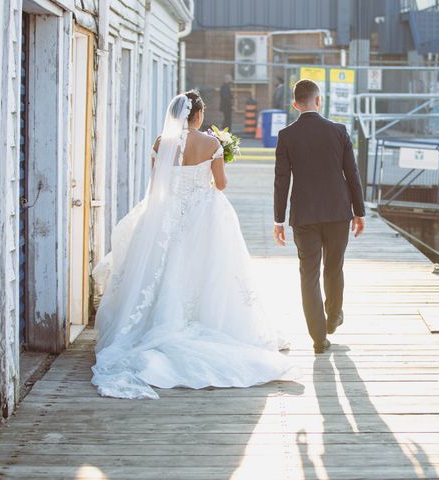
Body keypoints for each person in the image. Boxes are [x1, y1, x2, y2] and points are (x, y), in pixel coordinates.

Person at [91, 91, 299, 399]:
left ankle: (154, 324)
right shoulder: (211, 144)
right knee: (209, 270)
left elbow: (156, 185)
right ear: (198, 115)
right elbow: (222, 184)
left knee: (161, 269)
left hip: (166, 214)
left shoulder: (161, 143)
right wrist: (216, 159)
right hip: (204, 214)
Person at [273, 79, 366, 354]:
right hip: (338, 212)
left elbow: (281, 181)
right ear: (319, 100)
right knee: (334, 267)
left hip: (304, 215)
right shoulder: (338, 131)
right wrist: (359, 212)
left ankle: (318, 338)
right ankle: (333, 317)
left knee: (308, 275)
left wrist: (278, 220)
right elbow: (352, 174)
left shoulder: (286, 135)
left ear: (294, 104)